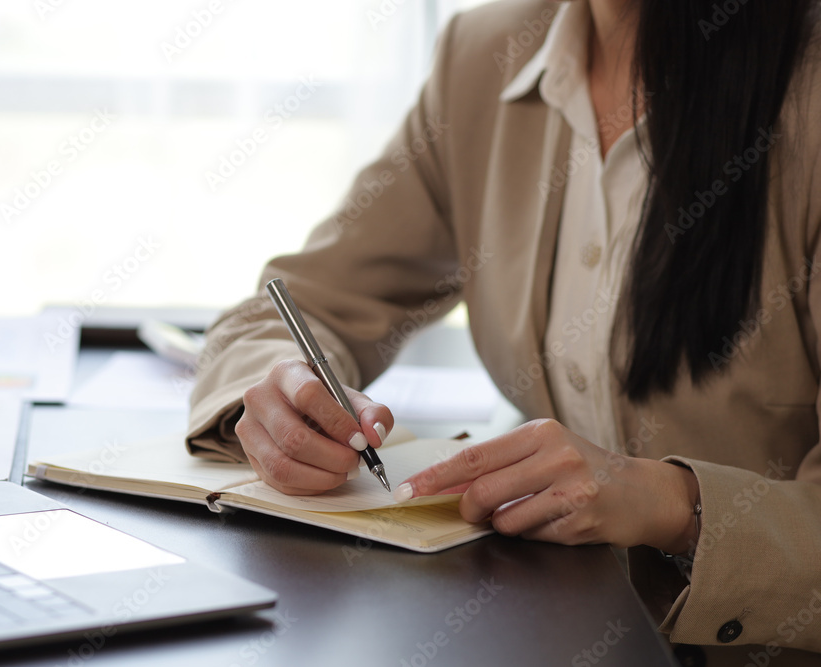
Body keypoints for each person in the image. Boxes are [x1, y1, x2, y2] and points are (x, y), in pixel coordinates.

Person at [185, 0, 821, 664]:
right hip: (546, 635)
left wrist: (676, 505)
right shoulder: (486, 53)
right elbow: (296, 306)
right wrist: (274, 393)